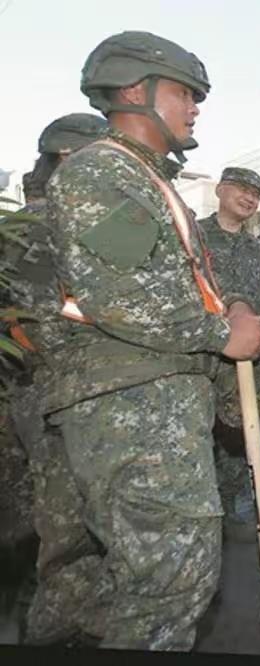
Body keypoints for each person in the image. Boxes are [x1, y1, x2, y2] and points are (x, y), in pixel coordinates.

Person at [46, 31, 260, 651]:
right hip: (132, 405)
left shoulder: (145, 178)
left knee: (155, 582)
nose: (195, 108)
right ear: (131, 91)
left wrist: (231, 312)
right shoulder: (100, 172)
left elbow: (177, 286)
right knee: (168, 583)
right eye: (184, 93)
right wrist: (224, 334)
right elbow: (124, 295)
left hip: (156, 400)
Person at [1, 113, 108, 644]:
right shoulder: (50, 229)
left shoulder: (26, 225)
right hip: (51, 398)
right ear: (68, 158)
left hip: (28, 396)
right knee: (68, 535)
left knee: (29, 528)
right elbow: (48, 325)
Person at [198, 166, 260, 544]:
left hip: (245, 359)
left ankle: (227, 509)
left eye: (256, 194)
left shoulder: (256, 248)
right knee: (199, 434)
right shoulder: (194, 236)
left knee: (238, 434)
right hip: (202, 353)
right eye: (242, 190)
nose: (249, 198)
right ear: (220, 191)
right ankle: (201, 514)